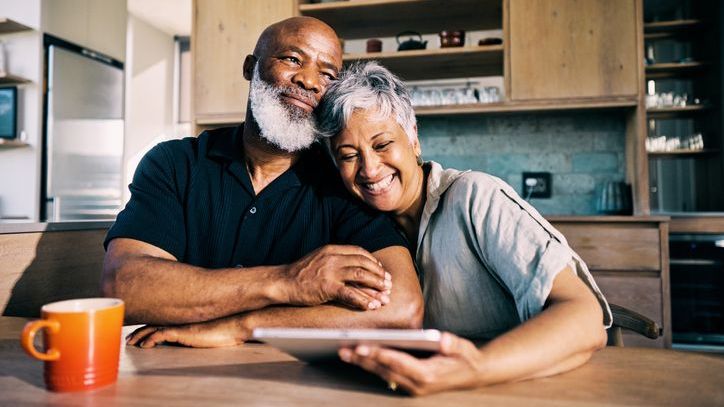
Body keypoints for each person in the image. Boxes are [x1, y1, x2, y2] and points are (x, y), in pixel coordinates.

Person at [101, 18, 423, 348]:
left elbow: (402, 308)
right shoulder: (174, 164)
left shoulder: (343, 182)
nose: (309, 81)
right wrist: (287, 282)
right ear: (250, 68)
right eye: (292, 59)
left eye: (327, 75)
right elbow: (123, 286)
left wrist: (245, 325)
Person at [315, 61, 612, 395]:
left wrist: (474, 369)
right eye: (348, 155)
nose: (369, 168)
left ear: (414, 139)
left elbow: (585, 318)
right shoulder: (360, 231)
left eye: (382, 145)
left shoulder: (474, 197)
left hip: (526, 390)